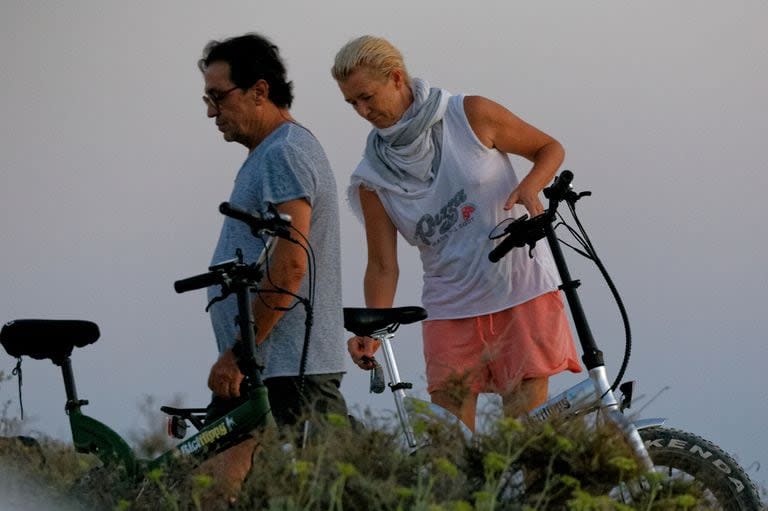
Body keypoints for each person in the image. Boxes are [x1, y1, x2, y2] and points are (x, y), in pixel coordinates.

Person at [332, 36, 581, 432]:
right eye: (351, 104)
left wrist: (531, 186)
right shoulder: (371, 179)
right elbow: (382, 265)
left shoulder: (469, 115)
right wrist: (370, 329)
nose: (362, 111)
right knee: (450, 445)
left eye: (367, 97)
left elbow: (548, 148)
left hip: (518, 290)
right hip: (449, 307)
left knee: (524, 439)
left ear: (396, 78)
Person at [196, 33, 347, 504]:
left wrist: (239, 354)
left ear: (259, 91)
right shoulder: (272, 153)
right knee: (218, 492)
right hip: (264, 367)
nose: (210, 112)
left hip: (284, 370)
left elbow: (290, 265)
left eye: (218, 97)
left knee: (324, 494)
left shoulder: (283, 153)